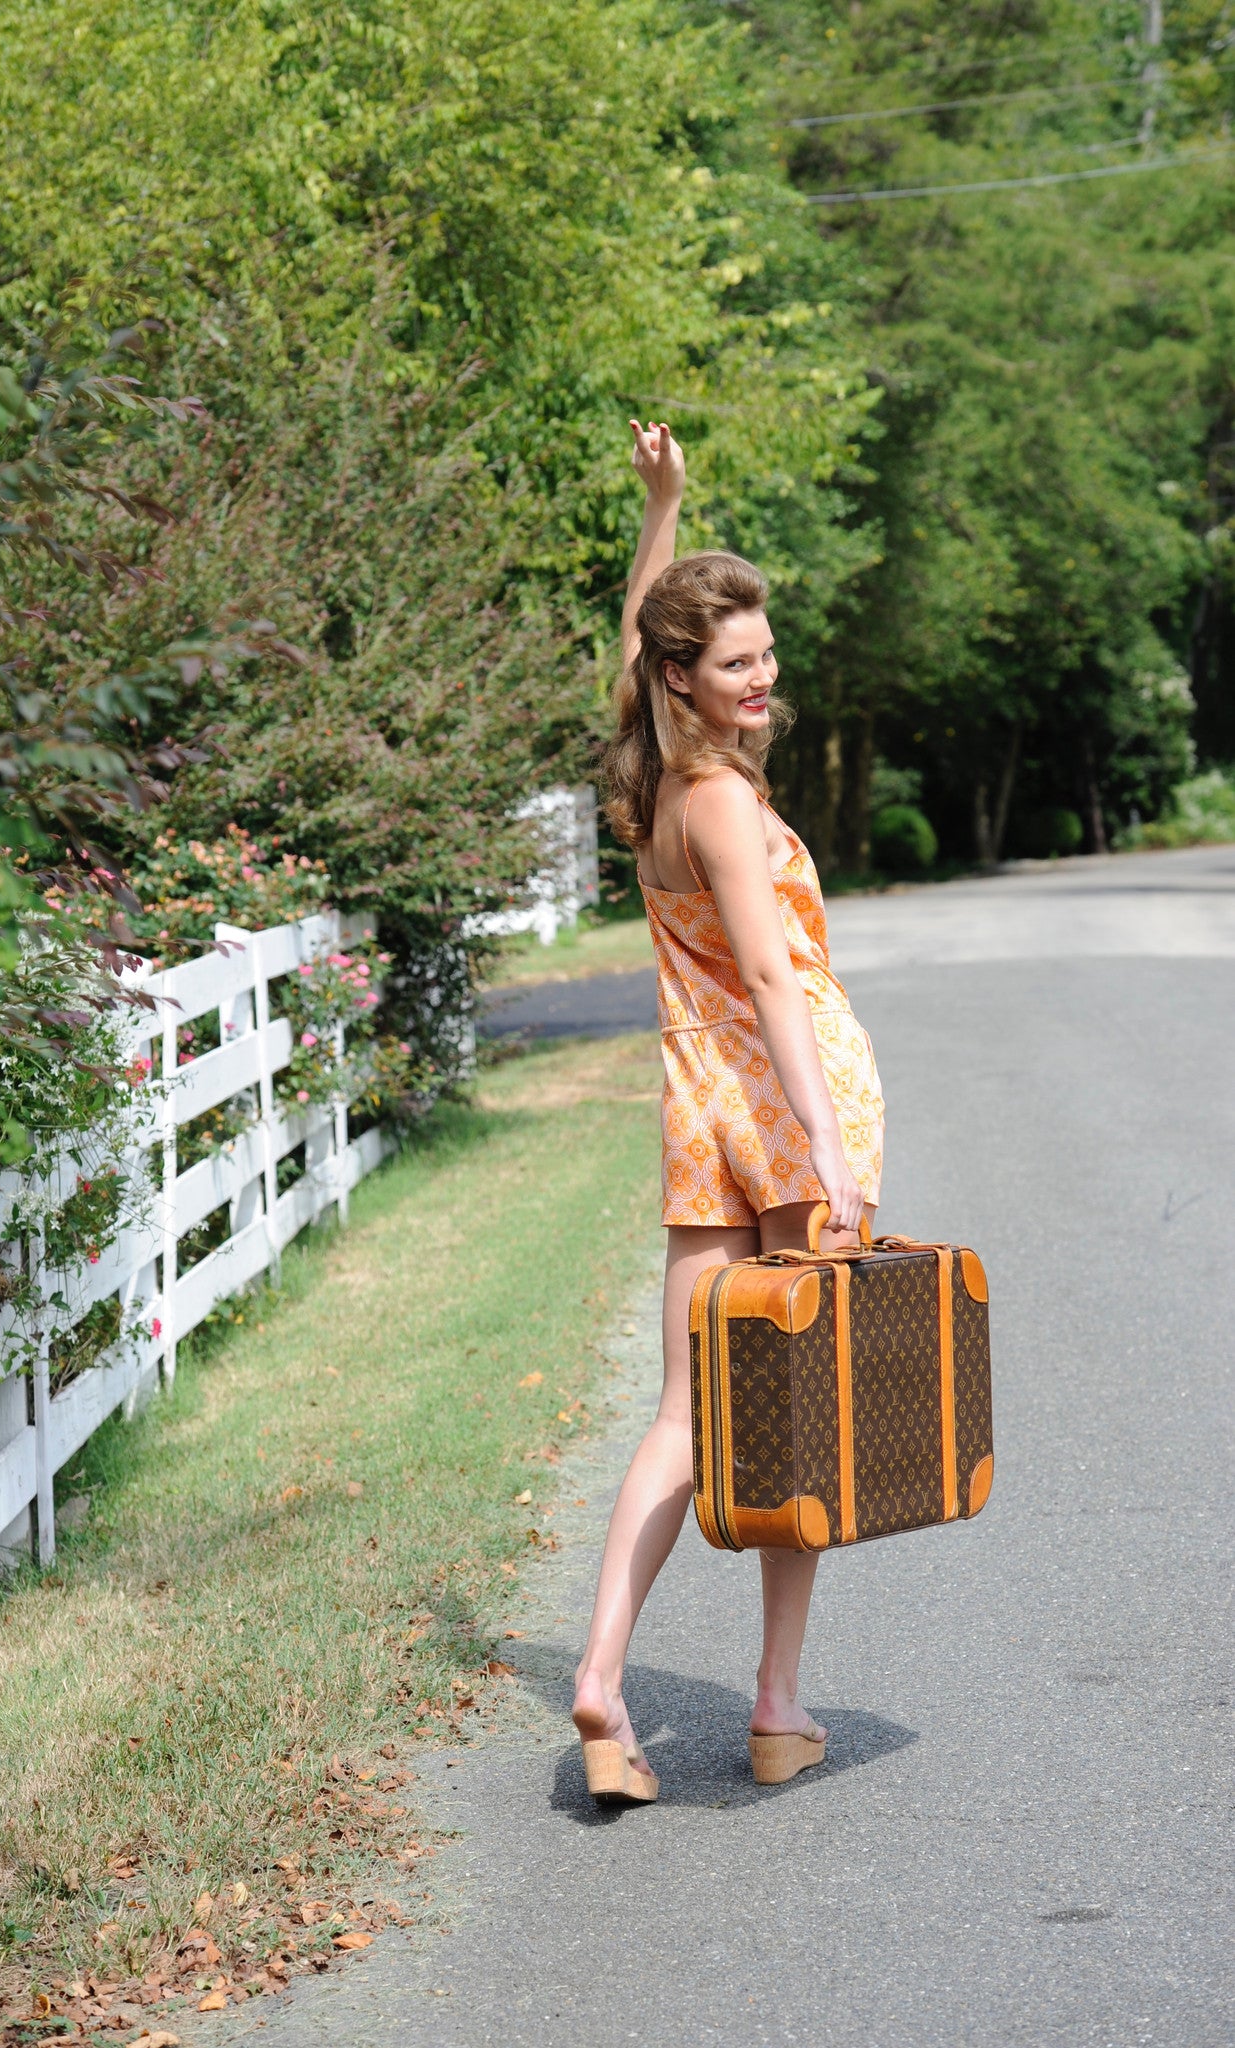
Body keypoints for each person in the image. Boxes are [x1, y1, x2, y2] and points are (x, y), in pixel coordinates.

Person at [571, 419, 885, 1806]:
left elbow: (636, 642)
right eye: (740, 663)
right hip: (781, 1118)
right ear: (688, 680)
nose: (766, 679)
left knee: (687, 1415)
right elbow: (768, 974)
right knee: (799, 1413)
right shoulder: (716, 804)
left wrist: (667, 505)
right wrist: (826, 1152)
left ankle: (598, 1679)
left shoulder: (650, 778)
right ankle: (772, 1704)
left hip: (700, 1118)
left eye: (767, 655)